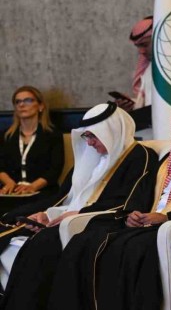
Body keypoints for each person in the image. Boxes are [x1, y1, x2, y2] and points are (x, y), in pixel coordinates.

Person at [47, 100, 171, 310]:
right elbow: (143, 190)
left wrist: (167, 217)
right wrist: (133, 214)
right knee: (87, 237)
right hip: (147, 223)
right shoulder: (170, 159)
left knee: (132, 248)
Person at [0, 102, 157, 309]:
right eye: (86, 136)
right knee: (8, 222)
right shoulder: (91, 157)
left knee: (44, 242)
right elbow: (67, 198)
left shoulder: (141, 156)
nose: (89, 143)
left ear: (111, 131)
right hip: (70, 218)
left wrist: (77, 214)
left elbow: (127, 203)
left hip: (100, 222)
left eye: (93, 136)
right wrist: (47, 214)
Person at [0, 86, 64, 215]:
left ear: (40, 106)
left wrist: (33, 186)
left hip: (42, 192)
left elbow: (55, 169)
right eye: (18, 101)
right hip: (11, 192)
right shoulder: (6, 136)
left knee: (24, 211)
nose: (22, 104)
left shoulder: (52, 135)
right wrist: (9, 183)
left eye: (28, 100)